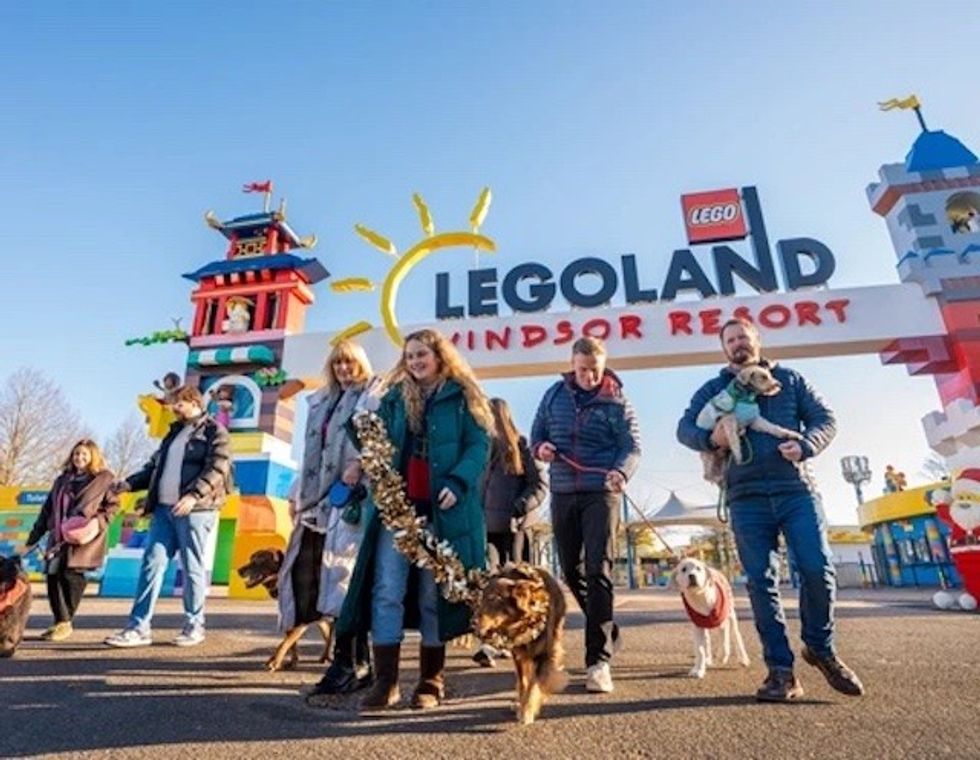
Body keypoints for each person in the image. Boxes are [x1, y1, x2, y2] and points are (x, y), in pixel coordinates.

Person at [677, 317, 864, 701]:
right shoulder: (713, 390)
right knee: (761, 583)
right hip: (744, 497)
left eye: (743, 337)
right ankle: (780, 671)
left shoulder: (791, 380)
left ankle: (820, 648)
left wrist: (807, 445)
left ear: (757, 341)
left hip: (795, 489)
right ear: (724, 348)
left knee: (817, 569)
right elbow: (684, 429)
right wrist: (708, 439)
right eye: (730, 340)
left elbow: (825, 420)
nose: (737, 344)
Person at [335, 328, 492, 711]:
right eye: (409, 356)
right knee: (386, 589)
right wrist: (364, 417)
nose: (415, 362)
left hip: (443, 510)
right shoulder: (393, 396)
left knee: (431, 595)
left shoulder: (463, 395)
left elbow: (479, 445)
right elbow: (372, 441)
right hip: (397, 509)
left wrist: (458, 480)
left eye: (422, 354)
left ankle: (430, 680)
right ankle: (386, 681)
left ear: (440, 355)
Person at [530, 336, 641, 694]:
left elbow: (632, 447)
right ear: (572, 364)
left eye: (594, 369)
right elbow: (537, 434)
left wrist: (620, 472)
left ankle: (598, 661)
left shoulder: (617, 400)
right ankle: (606, 625)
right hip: (562, 490)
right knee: (570, 570)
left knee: (598, 570)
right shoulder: (552, 395)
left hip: (601, 492)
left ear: (603, 365)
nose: (589, 377)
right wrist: (541, 448)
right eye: (582, 370)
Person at [105, 384, 231, 648]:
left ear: (194, 402)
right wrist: (129, 483)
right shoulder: (172, 434)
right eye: (173, 403)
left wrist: (194, 495)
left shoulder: (214, 431)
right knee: (151, 564)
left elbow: (218, 466)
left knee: (192, 566)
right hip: (163, 510)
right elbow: (154, 468)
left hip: (195, 510)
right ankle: (138, 627)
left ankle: (194, 624)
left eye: (179, 403)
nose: (174, 408)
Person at [287, 340, 376, 700]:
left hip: (352, 493)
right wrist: (300, 492)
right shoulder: (323, 400)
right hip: (319, 498)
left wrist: (359, 462)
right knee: (321, 577)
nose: (343, 369)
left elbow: (376, 437)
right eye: (338, 363)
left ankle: (349, 662)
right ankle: (351, 661)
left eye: (349, 362)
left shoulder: (372, 395)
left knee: (343, 576)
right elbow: (313, 451)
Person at [472, 397, 547, 667]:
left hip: (513, 530)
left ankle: (516, 640)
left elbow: (539, 485)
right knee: (489, 586)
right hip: (483, 529)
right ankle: (490, 644)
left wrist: (521, 506)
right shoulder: (477, 449)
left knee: (516, 591)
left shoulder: (521, 446)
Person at [20, 440, 119, 641]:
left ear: (93, 456)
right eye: (76, 454)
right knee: (53, 576)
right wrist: (32, 540)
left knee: (72, 577)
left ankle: (63, 622)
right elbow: (46, 511)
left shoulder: (103, 479)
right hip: (58, 538)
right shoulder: (61, 481)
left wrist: (98, 523)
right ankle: (62, 622)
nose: (79, 458)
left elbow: (112, 507)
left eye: (84, 454)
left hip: (83, 538)